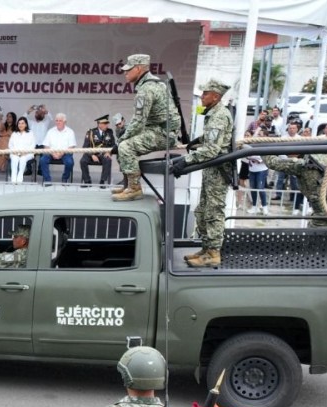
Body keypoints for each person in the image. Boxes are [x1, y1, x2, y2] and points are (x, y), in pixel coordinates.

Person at [112, 54, 182, 201]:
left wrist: (121, 141)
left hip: (163, 133)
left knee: (124, 146)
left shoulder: (146, 90)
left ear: (138, 69)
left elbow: (138, 121)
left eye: (128, 70)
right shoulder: (156, 83)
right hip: (159, 129)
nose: (125, 73)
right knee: (123, 142)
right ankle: (128, 184)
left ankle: (134, 189)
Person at [180, 79, 234, 268]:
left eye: (205, 93)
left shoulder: (219, 116)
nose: (202, 97)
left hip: (218, 171)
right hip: (212, 170)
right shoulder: (214, 114)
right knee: (202, 211)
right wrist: (197, 141)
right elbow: (212, 139)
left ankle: (213, 253)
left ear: (216, 97)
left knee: (213, 212)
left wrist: (185, 160)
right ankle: (206, 248)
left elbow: (212, 149)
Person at [40, 112, 77, 184]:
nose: (58, 122)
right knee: (42, 160)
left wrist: (61, 153)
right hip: (51, 153)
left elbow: (71, 146)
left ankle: (65, 178)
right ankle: (47, 180)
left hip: (65, 153)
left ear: (65, 122)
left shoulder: (70, 132)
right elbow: (46, 146)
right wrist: (53, 153)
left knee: (70, 162)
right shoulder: (50, 131)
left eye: (60, 121)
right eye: (56, 120)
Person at [82, 115, 116, 186]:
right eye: (105, 123)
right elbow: (85, 147)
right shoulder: (91, 132)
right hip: (92, 154)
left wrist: (109, 152)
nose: (107, 125)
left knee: (108, 160)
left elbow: (113, 145)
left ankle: (102, 181)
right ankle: (87, 181)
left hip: (103, 154)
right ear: (99, 124)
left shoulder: (109, 132)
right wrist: (92, 155)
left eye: (107, 123)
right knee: (83, 161)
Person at [8, 117, 35, 184]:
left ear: (26, 124)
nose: (20, 125)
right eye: (19, 123)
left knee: (23, 159)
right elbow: (10, 145)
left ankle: (20, 177)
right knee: (14, 159)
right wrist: (15, 152)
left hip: (27, 153)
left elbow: (32, 145)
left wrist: (25, 152)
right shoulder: (14, 133)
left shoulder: (30, 133)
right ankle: (13, 179)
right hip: (15, 153)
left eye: (22, 123)